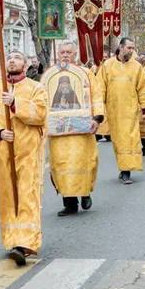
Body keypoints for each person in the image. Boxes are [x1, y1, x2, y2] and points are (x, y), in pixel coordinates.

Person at [0, 50, 48, 264]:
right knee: (8, 194)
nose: (12, 60)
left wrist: (16, 103)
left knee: (27, 192)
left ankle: (26, 242)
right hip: (4, 150)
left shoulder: (36, 88)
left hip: (28, 150)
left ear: (25, 64)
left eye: (17, 57)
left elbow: (41, 114)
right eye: (9, 58)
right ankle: (12, 239)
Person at [42, 41, 104, 216]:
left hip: (81, 131)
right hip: (58, 132)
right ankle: (69, 203)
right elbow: (42, 100)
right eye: (62, 52)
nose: (65, 55)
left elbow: (97, 96)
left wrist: (96, 118)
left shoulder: (85, 74)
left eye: (69, 52)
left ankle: (84, 193)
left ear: (75, 54)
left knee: (82, 162)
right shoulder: (51, 75)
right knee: (61, 165)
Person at [99, 37, 145, 184]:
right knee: (118, 141)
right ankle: (123, 167)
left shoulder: (136, 67)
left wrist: (144, 110)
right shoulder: (107, 66)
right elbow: (100, 88)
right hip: (114, 111)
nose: (132, 51)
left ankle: (126, 171)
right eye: (129, 48)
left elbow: (143, 89)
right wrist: (99, 110)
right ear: (121, 47)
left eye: (133, 48)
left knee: (130, 140)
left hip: (131, 111)